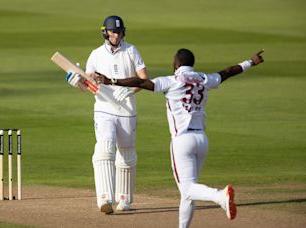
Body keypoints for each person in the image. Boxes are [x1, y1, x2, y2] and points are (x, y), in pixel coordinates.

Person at [94, 48, 265, 226]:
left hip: (182, 141)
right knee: (188, 192)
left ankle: (220, 196)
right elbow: (228, 72)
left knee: (188, 189)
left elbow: (142, 82)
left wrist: (112, 80)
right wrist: (250, 62)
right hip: (202, 140)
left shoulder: (172, 81)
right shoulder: (204, 79)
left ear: (176, 64)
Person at [65, 15, 148, 214]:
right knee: (104, 147)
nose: (116, 35)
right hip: (103, 108)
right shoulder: (95, 55)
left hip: (127, 110)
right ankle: (104, 198)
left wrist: (130, 89)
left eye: (119, 32)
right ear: (105, 32)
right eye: (113, 32)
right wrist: (77, 81)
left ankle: (124, 200)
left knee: (127, 153)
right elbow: (88, 82)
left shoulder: (131, 50)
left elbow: (144, 79)